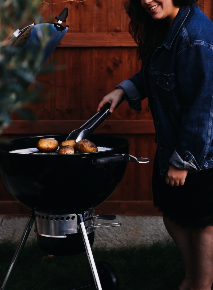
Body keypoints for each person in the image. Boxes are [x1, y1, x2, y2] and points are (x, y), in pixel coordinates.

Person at [97, 1, 213, 290]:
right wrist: (123, 90)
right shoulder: (168, 27)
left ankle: (201, 284)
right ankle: (190, 278)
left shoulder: (195, 36)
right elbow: (159, 73)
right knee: (174, 214)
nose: (147, 0)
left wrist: (182, 161)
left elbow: (203, 106)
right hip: (173, 145)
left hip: (199, 150)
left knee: (201, 222)